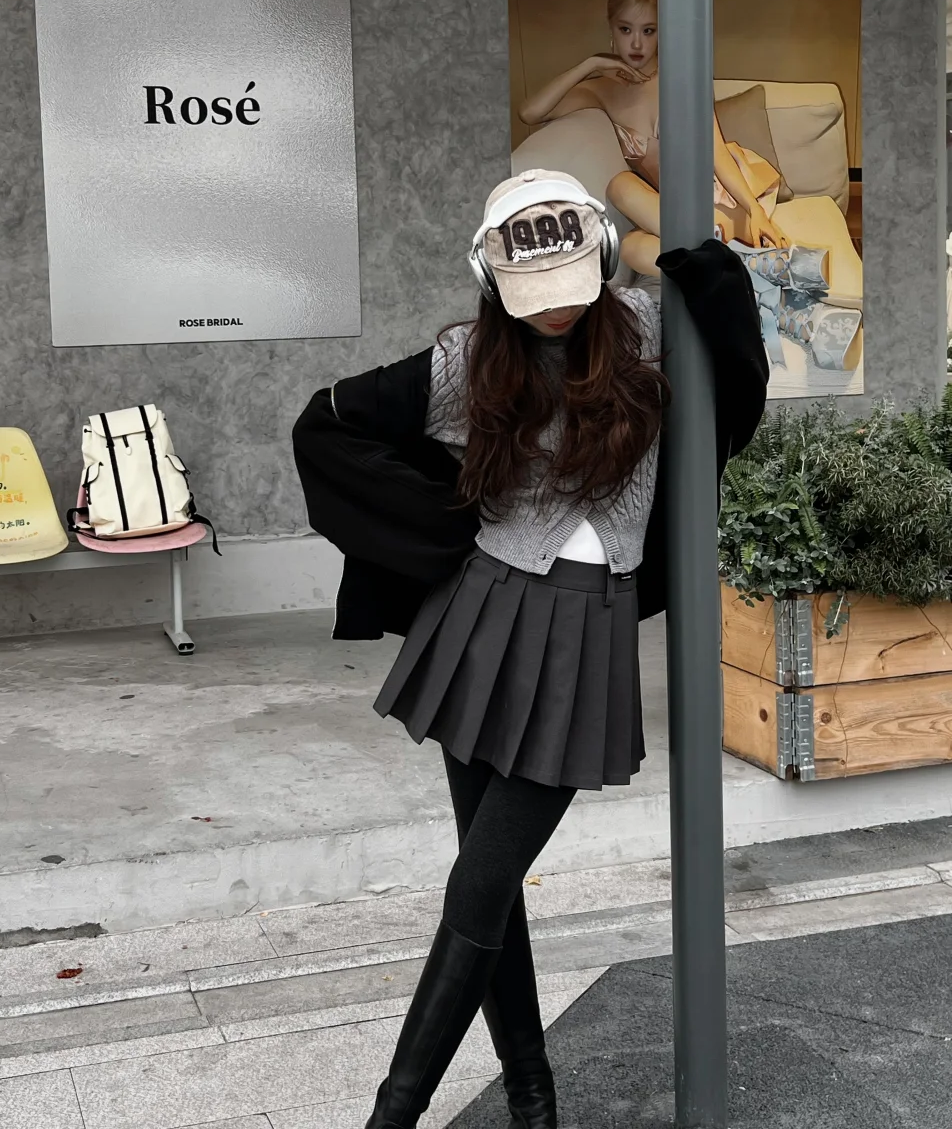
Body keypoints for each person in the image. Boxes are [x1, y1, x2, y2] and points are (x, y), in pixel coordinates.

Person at [292, 168, 768, 1128]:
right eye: (532, 293)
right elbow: (329, 424)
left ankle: (396, 1116)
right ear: (494, 279)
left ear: (600, 259)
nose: (554, 310)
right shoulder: (469, 360)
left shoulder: (645, 332)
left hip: (587, 628)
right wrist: (441, 526)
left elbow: (737, 409)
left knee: (482, 878)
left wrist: (723, 292)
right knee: (490, 881)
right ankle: (531, 1095)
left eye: (569, 286)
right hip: (481, 615)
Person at [517, 0, 788, 278]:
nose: (636, 43)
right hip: (668, 215)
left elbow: (717, 153)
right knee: (630, 241)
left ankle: (723, 261)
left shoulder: (681, 76)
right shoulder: (601, 90)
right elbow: (529, 112)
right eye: (625, 29)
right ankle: (730, 269)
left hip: (720, 201)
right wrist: (590, 64)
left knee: (625, 191)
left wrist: (754, 210)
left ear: (662, 32)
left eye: (648, 31)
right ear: (611, 28)